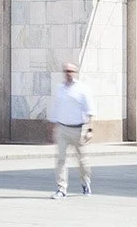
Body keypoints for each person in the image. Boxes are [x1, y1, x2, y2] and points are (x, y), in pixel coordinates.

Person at [48, 61, 93, 198]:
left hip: (78, 130)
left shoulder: (83, 89)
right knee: (61, 159)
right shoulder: (59, 89)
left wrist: (89, 129)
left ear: (76, 73)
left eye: (71, 71)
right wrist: (54, 126)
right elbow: (56, 108)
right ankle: (62, 189)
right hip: (62, 128)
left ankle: (85, 182)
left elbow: (90, 110)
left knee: (82, 160)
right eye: (66, 71)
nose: (68, 74)